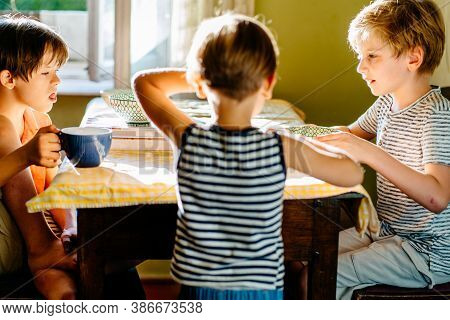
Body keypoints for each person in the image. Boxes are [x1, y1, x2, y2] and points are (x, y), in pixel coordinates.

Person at [133, 14, 364, 300]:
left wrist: (204, 74)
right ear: (268, 83)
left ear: (200, 81)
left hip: (199, 289)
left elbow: (144, 83)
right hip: (260, 290)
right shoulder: (281, 146)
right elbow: (353, 174)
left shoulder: (188, 138)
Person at [316, 0, 450, 299]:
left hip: (427, 251)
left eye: (372, 56)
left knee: (323, 270)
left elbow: (438, 196)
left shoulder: (436, 114)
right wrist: (304, 135)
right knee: (308, 256)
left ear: (413, 58)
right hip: (388, 230)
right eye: (361, 57)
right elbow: (349, 133)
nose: (361, 67)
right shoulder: (387, 102)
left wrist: (369, 152)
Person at [0, 14, 76, 299]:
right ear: (9, 78)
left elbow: (55, 186)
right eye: (46, 73)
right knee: (60, 287)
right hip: (24, 242)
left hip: (51, 231)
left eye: (56, 71)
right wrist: (26, 155)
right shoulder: (1, 125)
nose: (56, 80)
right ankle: (43, 250)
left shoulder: (37, 119)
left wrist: (70, 226)